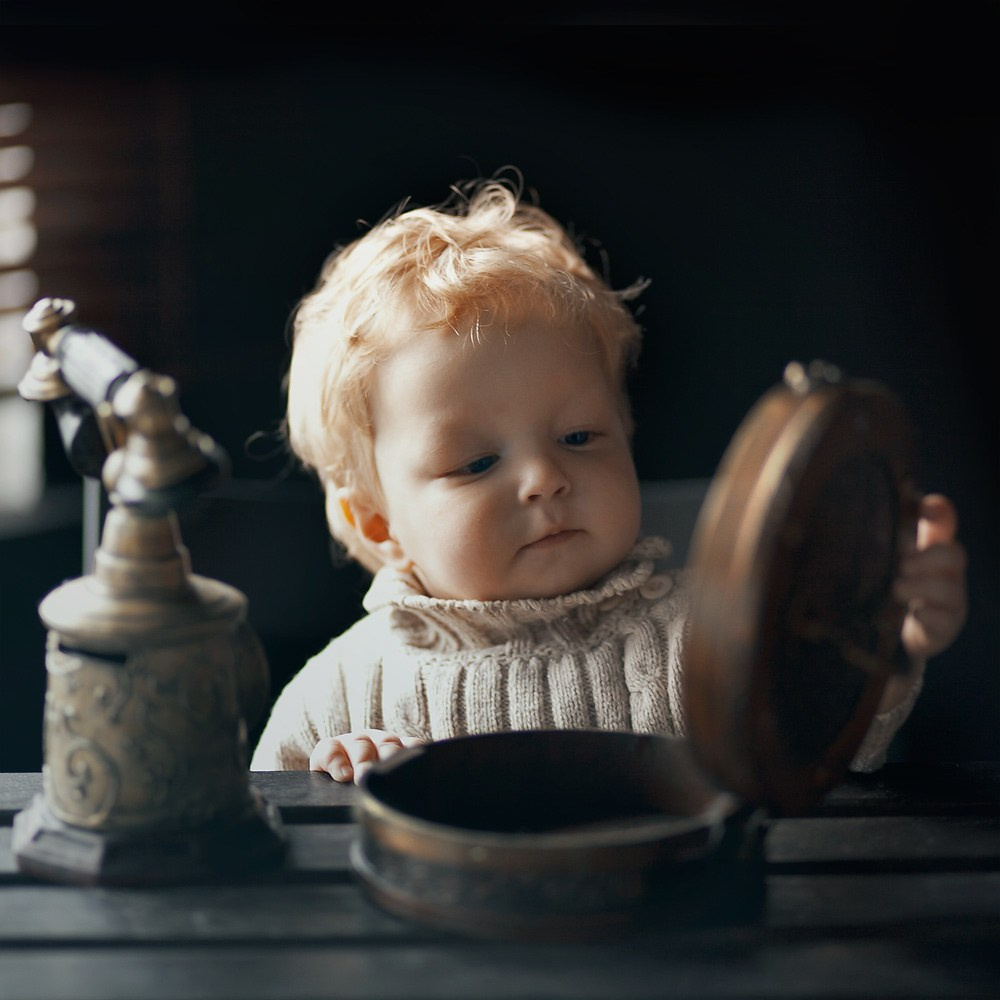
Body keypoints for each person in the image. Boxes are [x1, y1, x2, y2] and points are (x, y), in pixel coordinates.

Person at [250, 176, 967, 782]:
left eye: (578, 436)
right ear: (379, 524)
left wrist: (883, 638)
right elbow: (264, 857)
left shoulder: (712, 635)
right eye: (475, 464)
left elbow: (834, 747)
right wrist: (335, 796)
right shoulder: (342, 693)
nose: (544, 478)